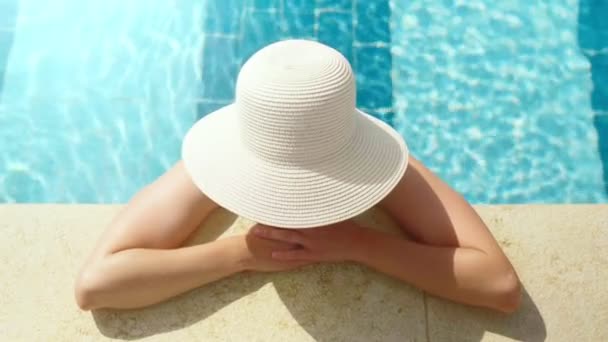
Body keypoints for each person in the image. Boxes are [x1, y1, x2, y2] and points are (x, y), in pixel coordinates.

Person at [74, 40, 521, 314]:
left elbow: (499, 286)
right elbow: (96, 286)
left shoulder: (392, 169)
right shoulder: (220, 159)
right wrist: (240, 254)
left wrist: (358, 244)